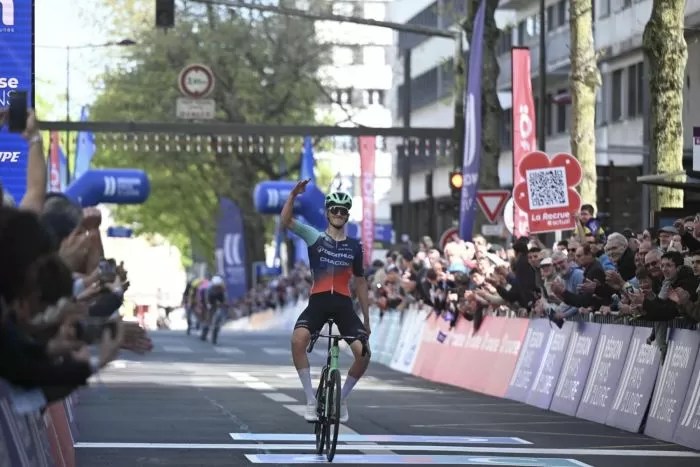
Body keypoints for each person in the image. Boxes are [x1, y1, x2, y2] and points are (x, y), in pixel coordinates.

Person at [281, 179, 371, 423]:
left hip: (343, 305)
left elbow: (361, 282)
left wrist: (366, 319)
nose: (339, 214)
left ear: (347, 215)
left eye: (343, 211)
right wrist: (293, 196)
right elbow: (286, 221)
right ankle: (311, 400)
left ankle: (341, 398)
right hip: (318, 303)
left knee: (363, 354)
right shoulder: (315, 237)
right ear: (327, 213)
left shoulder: (354, 246)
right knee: (297, 340)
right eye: (334, 210)